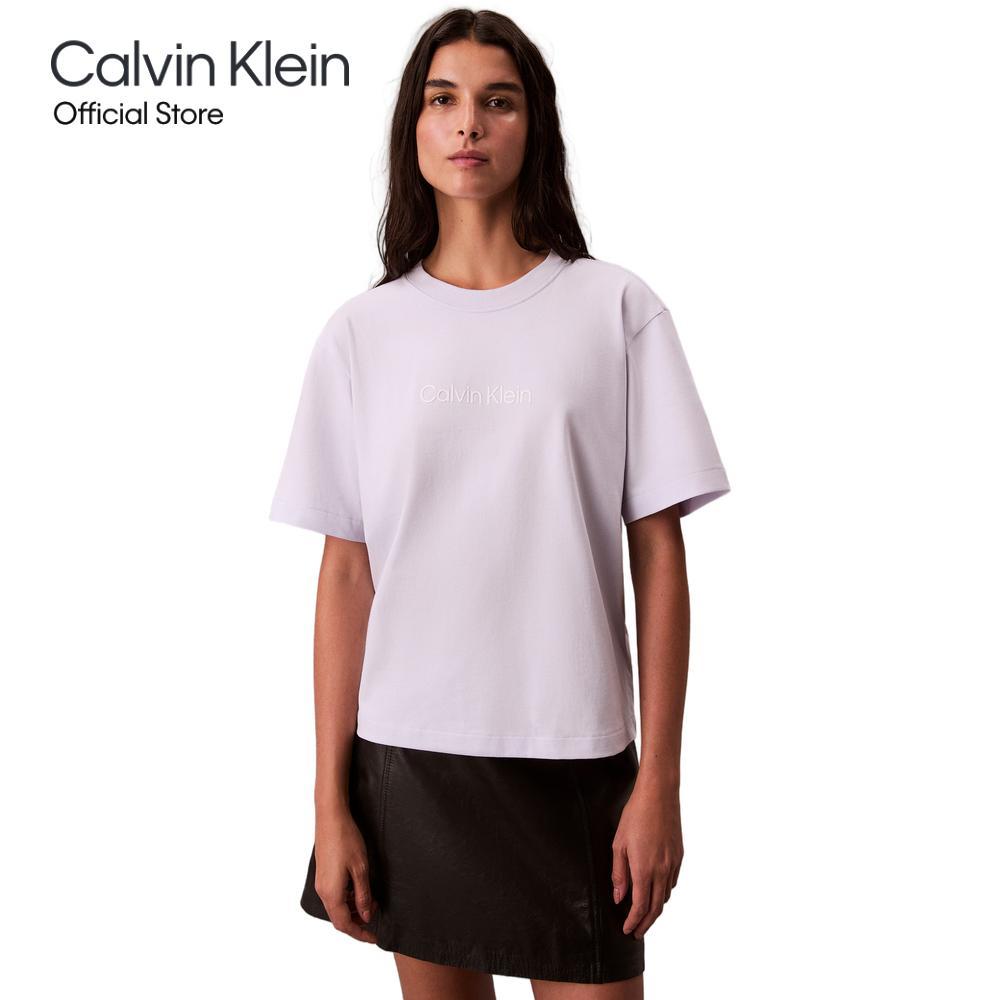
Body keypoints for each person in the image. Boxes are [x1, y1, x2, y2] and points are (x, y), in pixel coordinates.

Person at [269, 8, 731, 998]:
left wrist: (658, 779)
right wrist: (329, 801)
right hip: (410, 758)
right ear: (414, 127)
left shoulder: (615, 309)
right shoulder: (361, 335)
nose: (468, 123)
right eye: (443, 100)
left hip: (577, 757)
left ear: (534, 126)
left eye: (498, 101)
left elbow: (658, 555)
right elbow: (346, 574)